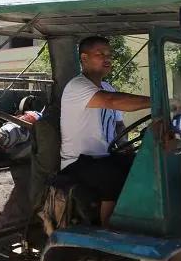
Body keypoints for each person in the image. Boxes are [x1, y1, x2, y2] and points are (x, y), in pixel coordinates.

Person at [59, 36, 150, 227]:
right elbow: (112, 101)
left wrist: (124, 145)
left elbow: (118, 124)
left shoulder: (108, 87)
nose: (107, 58)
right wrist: (157, 101)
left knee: (144, 167)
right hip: (78, 161)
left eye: (109, 54)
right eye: (100, 54)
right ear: (84, 58)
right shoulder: (77, 86)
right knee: (113, 177)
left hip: (104, 156)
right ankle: (108, 227)